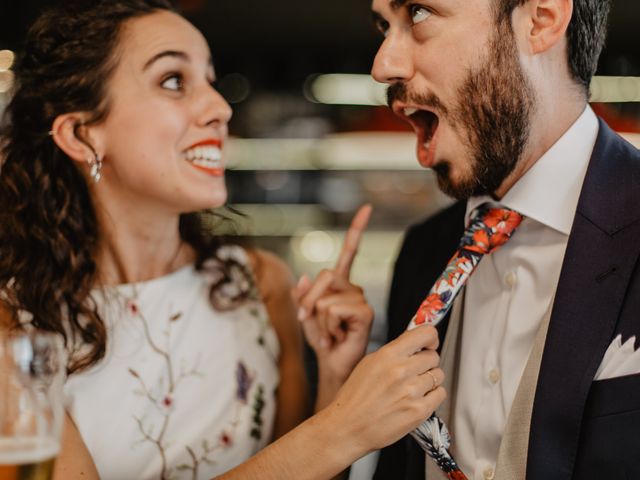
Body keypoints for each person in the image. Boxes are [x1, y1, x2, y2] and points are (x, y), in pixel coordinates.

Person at [0, 1, 447, 479]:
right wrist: (342, 428)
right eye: (173, 81)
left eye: (211, 82)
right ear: (82, 134)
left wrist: (335, 375)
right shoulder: (14, 326)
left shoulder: (258, 285)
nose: (218, 108)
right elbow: (313, 451)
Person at [369, 0, 640, 479]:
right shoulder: (422, 252)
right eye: (383, 26)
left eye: (418, 13)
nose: (382, 65)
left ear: (541, 19)